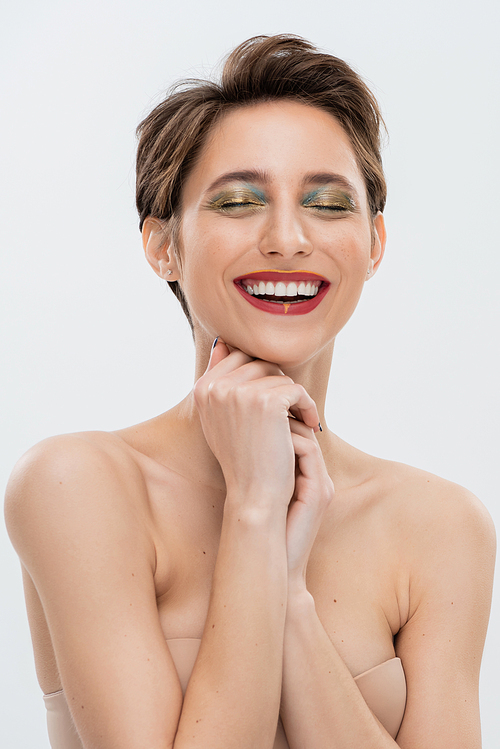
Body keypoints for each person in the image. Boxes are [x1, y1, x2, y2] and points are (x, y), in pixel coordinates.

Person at [4, 34, 496, 749]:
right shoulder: (77, 484)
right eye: (238, 201)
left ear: (374, 243)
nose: (288, 237)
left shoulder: (443, 526)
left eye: (328, 204)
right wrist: (256, 511)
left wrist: (290, 596)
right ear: (161, 245)